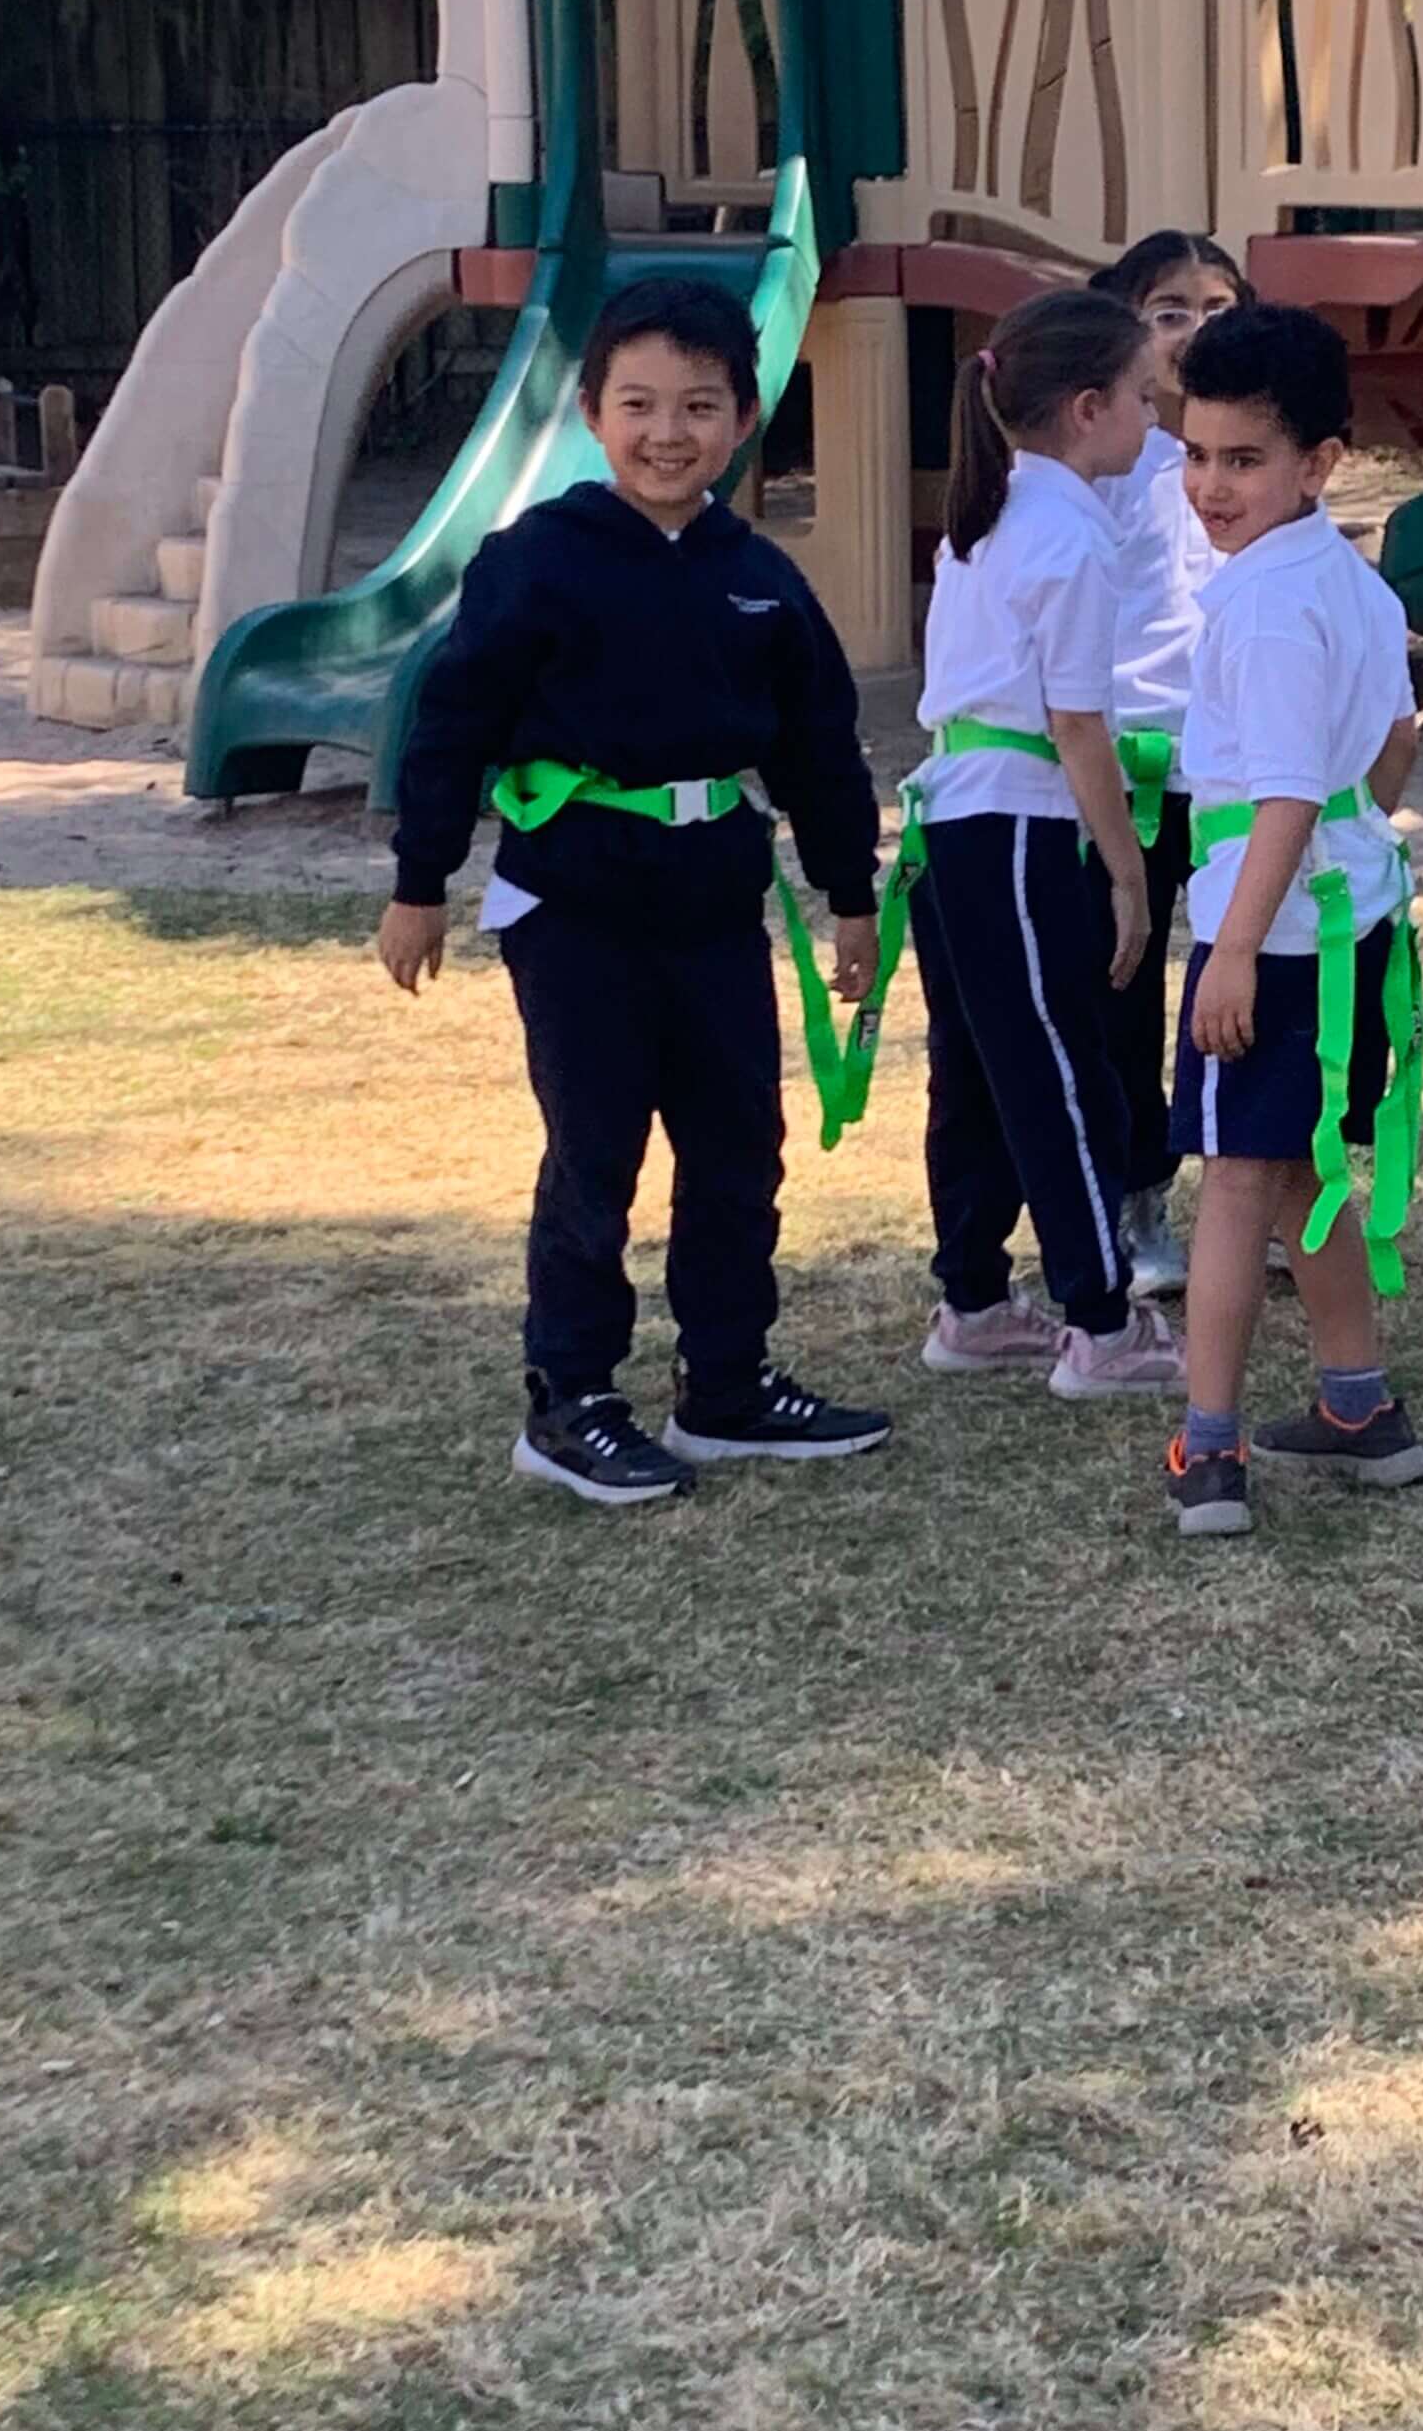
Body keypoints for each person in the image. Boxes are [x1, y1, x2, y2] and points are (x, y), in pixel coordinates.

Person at [379, 273, 891, 1506]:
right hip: (577, 908)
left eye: (701, 406)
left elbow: (818, 746)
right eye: (642, 404)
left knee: (737, 1148)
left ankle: (725, 1381)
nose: (671, 433)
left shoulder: (758, 575)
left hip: (714, 903)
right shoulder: (538, 561)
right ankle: (570, 1398)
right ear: (594, 412)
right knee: (594, 1151)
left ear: (744, 414)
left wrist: (851, 894)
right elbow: (452, 723)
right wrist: (419, 880)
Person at [1163, 302, 1423, 1540]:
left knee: (1232, 1184)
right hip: (1344, 926)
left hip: (1266, 939)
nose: (1209, 486)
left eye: (1243, 460)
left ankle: (1206, 1448)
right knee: (1302, 1176)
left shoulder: (1265, 606)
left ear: (1321, 462)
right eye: (1195, 454)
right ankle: (1360, 1406)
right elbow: (1396, 741)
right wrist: (1349, 846)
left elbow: (1277, 795)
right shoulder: (1346, 574)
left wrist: (1229, 949)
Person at [909, 286, 1186, 1400]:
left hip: (951, 826)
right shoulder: (1072, 532)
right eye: (1141, 400)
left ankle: (974, 1302)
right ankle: (1102, 1322)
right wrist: (1123, 867)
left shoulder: (988, 515)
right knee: (1062, 1074)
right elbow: (1080, 725)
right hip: (1014, 831)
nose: (1154, 425)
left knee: (976, 1071)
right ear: (1085, 408)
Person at [1089, 230, 1252, 1299]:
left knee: (1253, 982)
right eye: (1171, 309)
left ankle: (1264, 1192)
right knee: (1124, 988)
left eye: (1220, 305)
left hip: (1240, 767)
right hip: (1134, 766)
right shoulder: (1104, 462)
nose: (1197, 329)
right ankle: (1133, 1199)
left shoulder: (1267, 458)